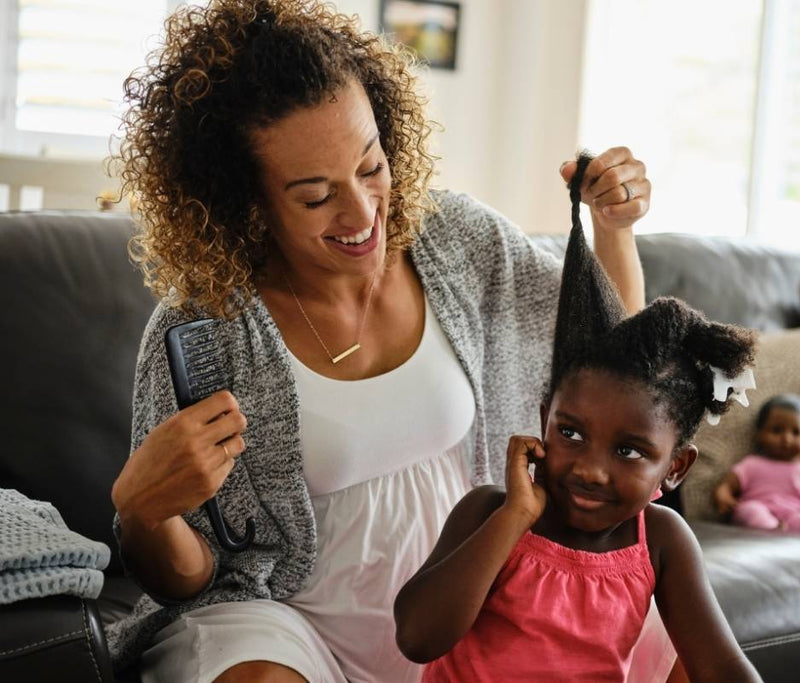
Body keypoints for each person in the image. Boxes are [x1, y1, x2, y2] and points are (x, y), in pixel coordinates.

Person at [106, 1, 655, 681]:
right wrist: (143, 511)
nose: (363, 212)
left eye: (371, 166)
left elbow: (614, 364)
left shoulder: (457, 241)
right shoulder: (202, 332)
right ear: (246, 201)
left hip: (460, 609)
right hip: (284, 624)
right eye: (315, 196)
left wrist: (613, 229)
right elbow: (190, 579)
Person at [393, 155, 763, 682]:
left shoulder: (661, 541)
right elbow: (417, 638)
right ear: (544, 419)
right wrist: (514, 518)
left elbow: (723, 667)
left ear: (676, 468)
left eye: (629, 451)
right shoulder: (488, 512)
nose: (590, 468)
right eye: (570, 433)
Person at [712, 394, 800, 540]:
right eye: (777, 430)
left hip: (797, 522)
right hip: (761, 517)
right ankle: (771, 533)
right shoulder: (751, 465)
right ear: (760, 434)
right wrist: (724, 497)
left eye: (796, 432)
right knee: (749, 510)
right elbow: (726, 486)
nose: (786, 438)